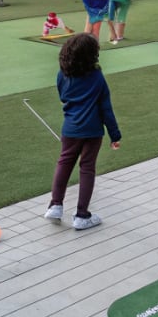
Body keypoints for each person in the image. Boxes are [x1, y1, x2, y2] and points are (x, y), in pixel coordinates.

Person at [45, 33, 121, 230]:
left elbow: (63, 97)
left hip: (70, 129)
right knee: (87, 168)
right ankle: (81, 215)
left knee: (64, 163)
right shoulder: (97, 77)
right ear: (91, 55)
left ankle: (55, 205)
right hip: (93, 131)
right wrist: (115, 135)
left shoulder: (62, 75)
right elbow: (106, 109)